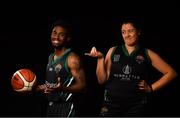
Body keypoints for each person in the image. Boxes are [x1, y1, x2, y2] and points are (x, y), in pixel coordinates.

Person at [85, 17, 177, 116]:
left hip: (136, 106)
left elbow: (171, 73)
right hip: (111, 105)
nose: (127, 35)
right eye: (123, 32)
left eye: (131, 31)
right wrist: (100, 59)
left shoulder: (147, 53)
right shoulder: (113, 50)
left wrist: (151, 88)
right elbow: (102, 80)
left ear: (139, 32)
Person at [35, 19, 86, 117]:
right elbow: (52, 85)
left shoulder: (72, 59)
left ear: (68, 38)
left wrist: (62, 88)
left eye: (61, 34)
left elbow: (83, 86)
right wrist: (39, 87)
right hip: (50, 106)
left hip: (65, 107)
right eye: (54, 33)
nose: (56, 37)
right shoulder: (51, 57)